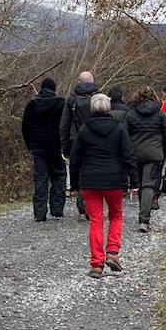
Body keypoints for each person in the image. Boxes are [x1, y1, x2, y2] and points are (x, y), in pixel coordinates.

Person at [69, 93, 135, 278]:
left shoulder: (84, 130)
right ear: (108, 108)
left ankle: (96, 264)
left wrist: (74, 185)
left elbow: (75, 160)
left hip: (90, 181)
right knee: (116, 215)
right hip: (114, 180)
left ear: (92, 108)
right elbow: (128, 156)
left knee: (96, 220)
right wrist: (134, 181)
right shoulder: (119, 129)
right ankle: (113, 252)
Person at [125, 86, 166, 234]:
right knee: (148, 186)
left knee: (139, 184)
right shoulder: (160, 115)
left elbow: (124, 135)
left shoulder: (131, 114)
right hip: (154, 154)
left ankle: (142, 210)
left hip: (135, 155)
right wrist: (163, 148)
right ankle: (144, 219)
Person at [21, 76, 65, 222]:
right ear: (54, 89)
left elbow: (25, 127)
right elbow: (64, 127)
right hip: (56, 147)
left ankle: (39, 213)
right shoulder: (61, 104)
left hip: (38, 148)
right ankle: (57, 210)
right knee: (59, 177)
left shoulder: (32, 105)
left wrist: (30, 144)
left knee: (40, 179)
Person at [60, 71, 97, 219]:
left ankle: (82, 204)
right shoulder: (98, 97)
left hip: (76, 140)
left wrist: (63, 144)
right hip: (95, 139)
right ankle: (92, 205)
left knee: (80, 171)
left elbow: (64, 124)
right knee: (94, 170)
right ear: (92, 81)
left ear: (79, 82)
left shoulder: (71, 100)